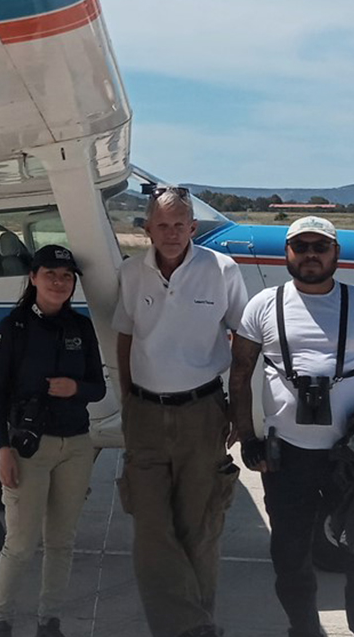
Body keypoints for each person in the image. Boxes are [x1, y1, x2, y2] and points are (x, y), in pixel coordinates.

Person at [227, 216, 354, 637]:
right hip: (287, 457)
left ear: (336, 254)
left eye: (320, 246)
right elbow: (240, 374)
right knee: (290, 559)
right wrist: (248, 438)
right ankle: (304, 630)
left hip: (353, 455)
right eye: (301, 246)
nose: (311, 254)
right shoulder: (262, 306)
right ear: (287, 253)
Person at [112, 185, 249, 637]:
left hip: (203, 411)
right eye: (162, 225)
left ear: (193, 228)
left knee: (200, 528)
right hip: (146, 415)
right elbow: (126, 338)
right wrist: (130, 400)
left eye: (179, 225)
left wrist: (239, 410)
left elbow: (244, 342)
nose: (171, 234)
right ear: (148, 229)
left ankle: (192, 625)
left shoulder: (222, 270)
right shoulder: (132, 274)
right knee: (152, 530)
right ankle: (192, 628)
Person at [0, 245, 107, 637]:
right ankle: (1, 619)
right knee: (20, 543)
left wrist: (75, 387)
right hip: (28, 449)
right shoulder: (13, 328)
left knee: (61, 541)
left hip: (75, 445)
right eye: (51, 274)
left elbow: (98, 388)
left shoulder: (81, 327)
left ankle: (49, 621)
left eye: (67, 276)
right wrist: (2, 447)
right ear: (33, 277)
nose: (59, 282)